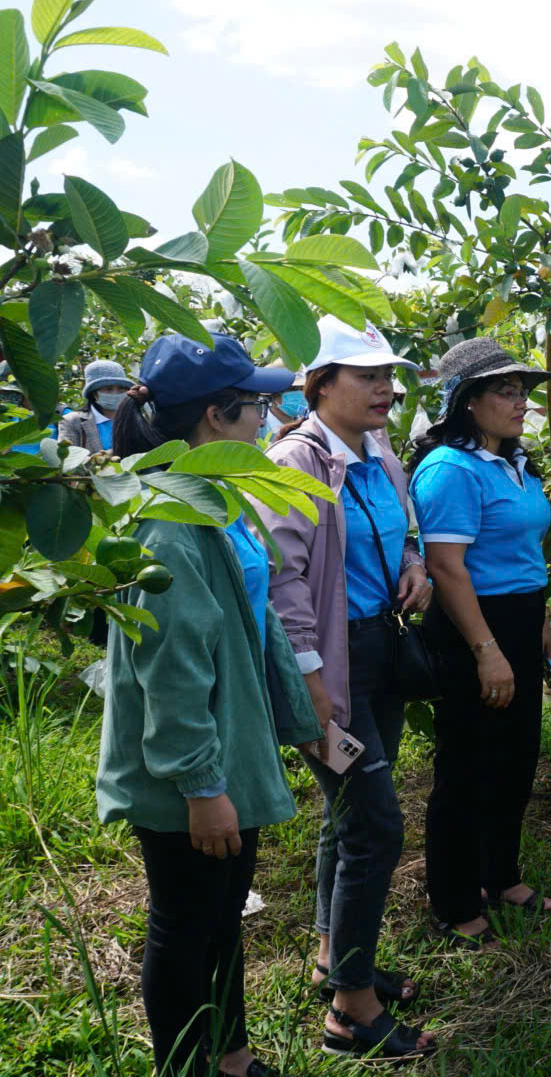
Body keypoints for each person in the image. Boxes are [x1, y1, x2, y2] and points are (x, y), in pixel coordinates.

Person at [97, 334, 322, 1077]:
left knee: (220, 918)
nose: (268, 417)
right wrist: (202, 786)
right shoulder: (171, 521)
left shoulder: (209, 500)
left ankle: (232, 1057)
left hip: (226, 750)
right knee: (186, 923)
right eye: (257, 405)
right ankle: (187, 1065)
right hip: (192, 768)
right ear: (216, 418)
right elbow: (172, 670)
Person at [255, 316, 436, 1062]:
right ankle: (350, 1011)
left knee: (347, 816)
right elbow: (284, 577)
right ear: (319, 386)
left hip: (376, 649)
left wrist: (417, 559)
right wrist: (311, 680)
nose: (386, 388)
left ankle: (338, 954)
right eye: (368, 376)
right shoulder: (295, 462)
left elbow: (405, 523)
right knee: (374, 823)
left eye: (389, 375)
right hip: (331, 663)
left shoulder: (376, 452)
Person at [408, 338, 551, 946]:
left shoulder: (515, 463)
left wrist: (539, 619)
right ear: (468, 402)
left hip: (519, 618)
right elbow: (447, 568)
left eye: (523, 391)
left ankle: (501, 874)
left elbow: (526, 549)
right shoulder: (450, 469)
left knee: (517, 754)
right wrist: (486, 649)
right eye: (506, 390)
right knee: (467, 764)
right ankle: (451, 895)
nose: (520, 402)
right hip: (474, 626)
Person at [59, 359, 134, 452]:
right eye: (108, 389)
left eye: (121, 388)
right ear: (94, 394)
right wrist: (104, 457)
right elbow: (67, 459)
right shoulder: (72, 421)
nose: (116, 393)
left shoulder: (135, 418)